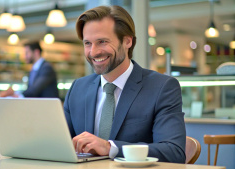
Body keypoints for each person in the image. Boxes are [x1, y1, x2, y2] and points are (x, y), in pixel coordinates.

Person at [63, 6, 186, 163]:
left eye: (102, 42)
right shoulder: (77, 88)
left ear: (127, 41)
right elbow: (60, 144)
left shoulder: (162, 87)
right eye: (87, 43)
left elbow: (173, 151)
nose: (93, 52)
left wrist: (110, 148)